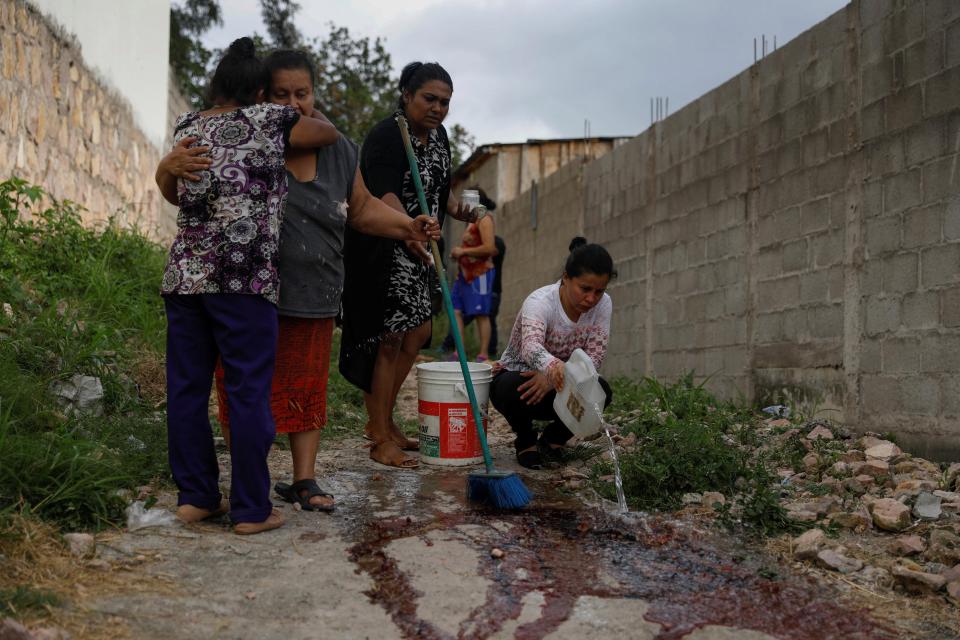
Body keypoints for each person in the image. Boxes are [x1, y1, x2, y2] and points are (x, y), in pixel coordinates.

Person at [159, 49, 441, 512]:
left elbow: (364, 207)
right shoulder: (261, 136)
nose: (293, 104)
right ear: (260, 97)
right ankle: (252, 488)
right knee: (245, 390)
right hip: (252, 291)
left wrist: (407, 225)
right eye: (281, 94)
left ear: (315, 93)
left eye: (302, 94)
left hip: (312, 286)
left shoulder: (337, 150)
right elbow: (186, 191)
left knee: (305, 388)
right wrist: (163, 171)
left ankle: (301, 479)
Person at [155, 38, 338, 534]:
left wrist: (162, 171)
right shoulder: (269, 121)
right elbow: (327, 132)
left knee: (187, 391)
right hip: (243, 280)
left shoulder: (188, 126)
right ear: (259, 91)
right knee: (248, 392)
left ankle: (196, 497)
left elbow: (177, 194)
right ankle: (252, 510)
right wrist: (291, 109)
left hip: (186, 276)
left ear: (215, 85)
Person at [339, 61, 480, 469]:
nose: (438, 109)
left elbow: (442, 193)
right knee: (390, 338)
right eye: (429, 99)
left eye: (445, 103)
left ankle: (383, 419)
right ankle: (380, 435)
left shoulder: (439, 139)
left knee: (417, 333)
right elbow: (382, 198)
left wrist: (460, 212)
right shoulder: (388, 135)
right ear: (406, 95)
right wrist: (407, 230)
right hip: (385, 246)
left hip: (422, 245)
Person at [489, 237, 616, 470]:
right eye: (585, 289)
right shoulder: (540, 302)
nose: (591, 299)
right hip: (522, 382)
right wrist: (552, 369)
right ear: (566, 278)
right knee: (508, 387)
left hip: (561, 388)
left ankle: (553, 440)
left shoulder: (603, 304)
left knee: (602, 392)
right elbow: (530, 347)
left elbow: (595, 356)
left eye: (599, 291)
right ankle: (525, 441)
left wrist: (558, 378)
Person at [448, 187, 498, 362]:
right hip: (464, 275)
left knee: (481, 314)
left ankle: (483, 355)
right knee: (455, 310)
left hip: (480, 273)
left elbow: (490, 248)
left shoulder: (484, 218)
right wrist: (458, 254)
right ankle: (458, 353)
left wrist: (462, 251)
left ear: (476, 200)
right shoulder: (470, 221)